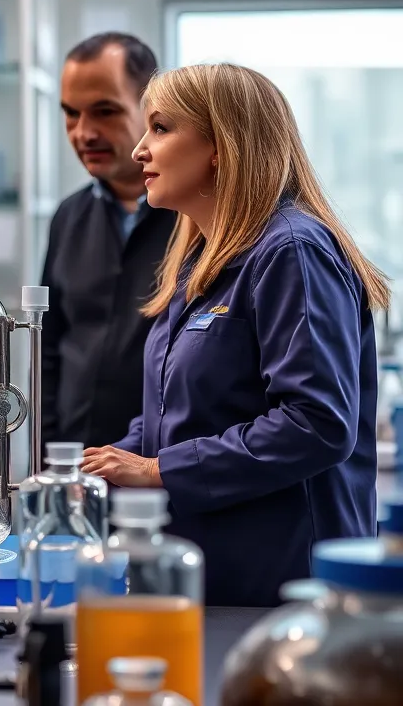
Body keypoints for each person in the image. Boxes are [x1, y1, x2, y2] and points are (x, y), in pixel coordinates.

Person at [82, 63, 384, 607]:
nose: (139, 151)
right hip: (205, 572)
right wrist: (100, 468)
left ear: (222, 143)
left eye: (161, 128)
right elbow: (182, 411)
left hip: (282, 582)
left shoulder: (292, 251)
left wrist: (155, 470)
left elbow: (316, 423)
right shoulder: (206, 260)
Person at [40, 33, 177, 452]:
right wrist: (48, 456)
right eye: (71, 114)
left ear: (153, 107)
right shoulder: (69, 216)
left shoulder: (196, 217)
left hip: (168, 470)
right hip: (76, 465)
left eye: (104, 112)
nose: (84, 133)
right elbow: (49, 349)